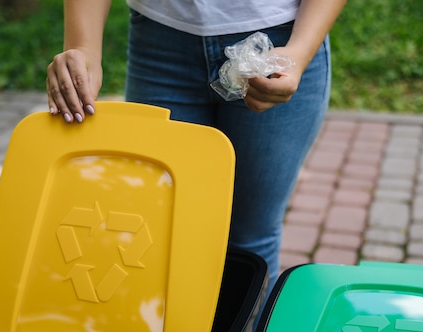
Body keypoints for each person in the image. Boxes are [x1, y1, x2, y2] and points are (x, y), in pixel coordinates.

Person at [46, 0, 346, 305]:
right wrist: (83, 48)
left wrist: (299, 50)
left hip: (278, 43)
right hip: (160, 42)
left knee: (250, 239)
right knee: (158, 234)